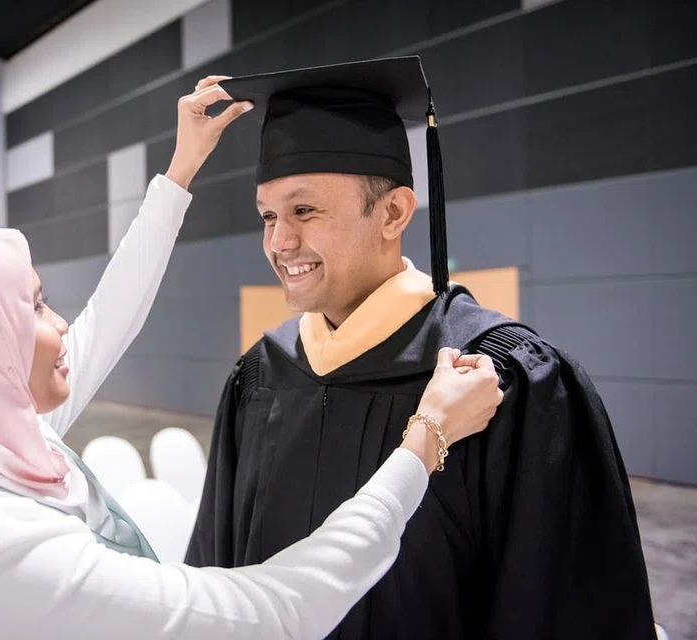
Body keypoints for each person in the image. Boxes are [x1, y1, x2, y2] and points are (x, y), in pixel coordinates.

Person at [0, 76, 503, 639]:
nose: (61, 325)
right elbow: (283, 611)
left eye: (305, 211)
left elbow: (110, 317)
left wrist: (180, 168)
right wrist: (424, 438)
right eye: (33, 307)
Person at [185, 56, 658, 639]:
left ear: (393, 212)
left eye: (304, 210)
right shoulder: (260, 377)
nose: (281, 241)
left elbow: (558, 600)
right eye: (267, 216)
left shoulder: (501, 375)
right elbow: (215, 575)